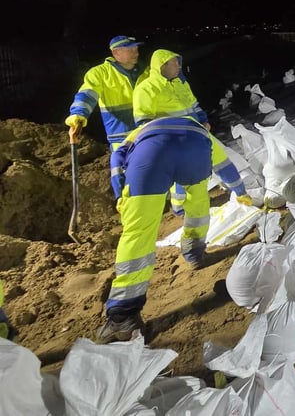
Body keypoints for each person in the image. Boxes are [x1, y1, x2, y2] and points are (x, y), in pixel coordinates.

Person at [97, 115, 252, 343]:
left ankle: (123, 316)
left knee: (138, 233)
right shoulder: (201, 131)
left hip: (150, 157)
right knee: (198, 203)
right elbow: (225, 166)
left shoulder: (140, 132)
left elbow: (117, 160)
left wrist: (120, 192)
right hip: (194, 153)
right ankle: (194, 253)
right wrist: (241, 192)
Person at [133, 48, 213, 213]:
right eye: (174, 62)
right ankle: (180, 208)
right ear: (162, 66)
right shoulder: (146, 89)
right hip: (172, 140)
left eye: (178, 62)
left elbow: (194, 105)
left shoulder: (180, 83)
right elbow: (144, 122)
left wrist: (204, 121)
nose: (178, 66)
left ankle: (193, 204)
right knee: (180, 174)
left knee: (195, 171)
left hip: (194, 136)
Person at [65, 35, 149, 149]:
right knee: (123, 166)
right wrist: (78, 114)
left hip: (147, 133)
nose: (136, 53)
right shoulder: (100, 74)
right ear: (115, 53)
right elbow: (88, 94)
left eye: (136, 49)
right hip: (121, 138)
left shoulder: (147, 72)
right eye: (130, 50)